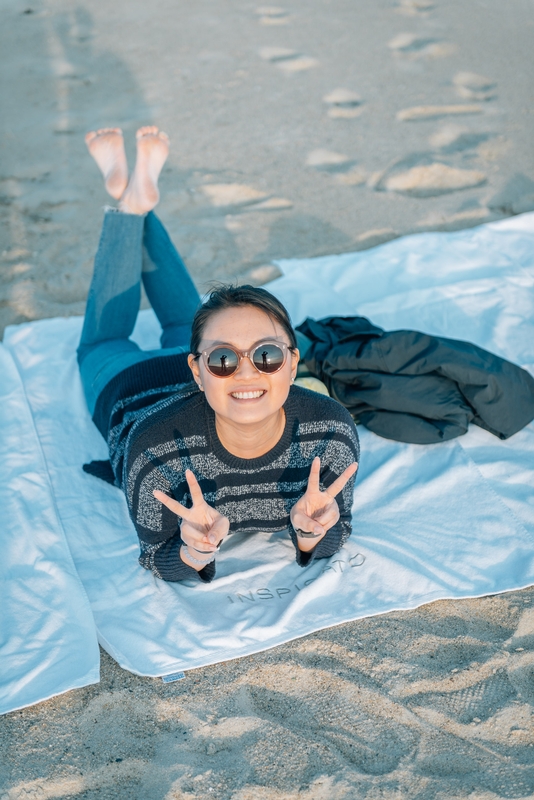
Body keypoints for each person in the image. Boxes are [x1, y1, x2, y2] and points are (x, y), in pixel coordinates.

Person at [79, 126, 359, 583]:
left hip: (188, 383)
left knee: (203, 322)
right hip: (130, 386)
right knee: (103, 342)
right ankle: (129, 203)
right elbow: (158, 558)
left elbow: (333, 531)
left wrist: (311, 535)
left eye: (266, 355)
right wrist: (187, 550)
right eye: (227, 360)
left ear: (292, 363)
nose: (247, 373)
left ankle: (132, 203)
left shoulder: (330, 432)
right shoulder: (154, 451)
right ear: (197, 368)